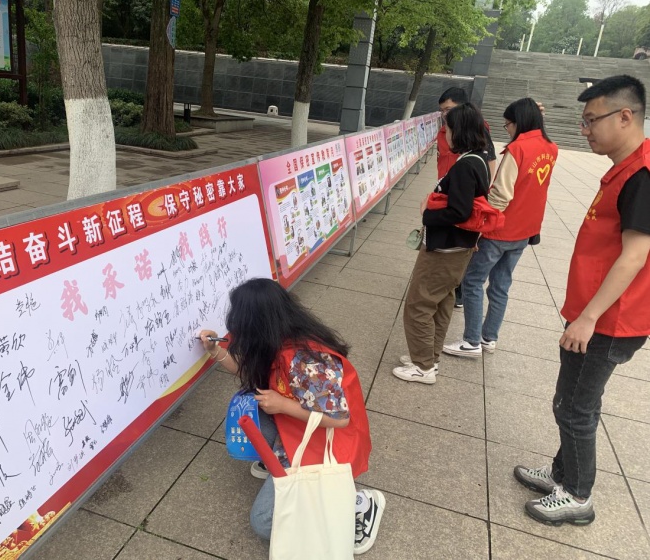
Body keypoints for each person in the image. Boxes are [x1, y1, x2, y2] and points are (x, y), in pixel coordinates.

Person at [514, 75, 650, 526]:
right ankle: (561, 474)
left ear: (625, 116)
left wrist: (589, 317)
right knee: (572, 402)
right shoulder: (625, 169)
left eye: (592, 120)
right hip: (596, 313)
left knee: (575, 407)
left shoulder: (642, 176)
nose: (585, 129)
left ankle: (577, 495)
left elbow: (635, 255)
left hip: (609, 320)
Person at [198, 278, 385, 554]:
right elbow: (250, 372)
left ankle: (359, 505)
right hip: (297, 429)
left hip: (327, 442)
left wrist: (283, 405)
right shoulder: (276, 339)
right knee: (250, 411)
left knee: (264, 523)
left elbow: (339, 419)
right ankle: (282, 463)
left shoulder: (307, 360)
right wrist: (216, 351)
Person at [443, 98, 558, 358]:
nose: (507, 129)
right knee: (501, 285)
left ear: (519, 122)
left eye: (508, 124)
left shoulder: (517, 149)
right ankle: (489, 337)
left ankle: (471, 341)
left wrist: (480, 228)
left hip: (500, 230)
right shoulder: (551, 147)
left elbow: (501, 195)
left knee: (472, 281)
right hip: (526, 229)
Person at [393, 103, 491, 385]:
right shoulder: (478, 159)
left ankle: (423, 366)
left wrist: (427, 214)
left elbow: (459, 211)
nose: (445, 134)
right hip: (460, 247)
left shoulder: (465, 165)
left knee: (419, 304)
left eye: (447, 128)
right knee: (442, 302)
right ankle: (429, 357)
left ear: (459, 131)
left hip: (446, 248)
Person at [436, 87, 497, 308]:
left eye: (449, 109)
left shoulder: (476, 129)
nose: (445, 114)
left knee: (461, 241)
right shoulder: (445, 130)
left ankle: (457, 290)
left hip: (463, 192)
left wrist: (482, 192)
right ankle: (446, 286)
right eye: (442, 110)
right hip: (447, 189)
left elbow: (489, 160)